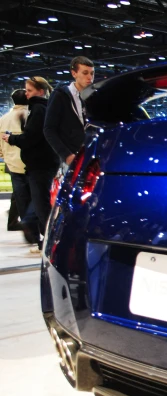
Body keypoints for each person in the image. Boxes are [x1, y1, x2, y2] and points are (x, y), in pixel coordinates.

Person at [1, 77, 60, 251]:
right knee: (37, 200)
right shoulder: (42, 109)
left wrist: (11, 139)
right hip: (34, 163)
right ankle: (39, 234)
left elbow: (31, 137)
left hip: (24, 164)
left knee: (33, 201)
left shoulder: (35, 111)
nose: (27, 94)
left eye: (30, 90)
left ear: (40, 91)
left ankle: (41, 235)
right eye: (26, 91)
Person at [0, 89, 37, 244]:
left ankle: (26, 225)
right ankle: (32, 224)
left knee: (20, 197)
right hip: (31, 163)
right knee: (37, 196)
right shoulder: (31, 116)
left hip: (12, 164)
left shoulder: (3, 119)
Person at [43, 56, 94, 166]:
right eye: (85, 73)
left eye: (92, 73)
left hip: (90, 157)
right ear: (74, 73)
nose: (90, 77)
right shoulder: (60, 95)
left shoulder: (95, 97)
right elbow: (49, 129)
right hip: (68, 159)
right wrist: (66, 155)